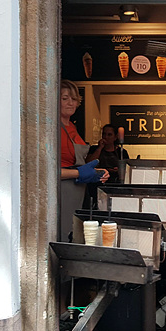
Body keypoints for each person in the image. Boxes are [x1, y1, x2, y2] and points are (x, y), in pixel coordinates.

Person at [58, 80, 107, 241]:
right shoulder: (52, 128)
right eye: (65, 98)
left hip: (78, 191)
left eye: (73, 99)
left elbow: (81, 163)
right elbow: (47, 172)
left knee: (77, 234)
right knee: (64, 233)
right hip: (62, 191)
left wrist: (96, 173)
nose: (70, 103)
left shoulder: (72, 127)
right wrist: (79, 173)